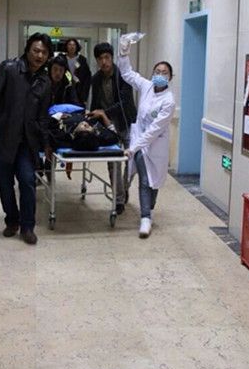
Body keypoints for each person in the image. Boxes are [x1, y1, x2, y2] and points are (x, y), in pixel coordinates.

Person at [0, 32, 53, 245]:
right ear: (27, 50)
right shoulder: (9, 69)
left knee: (28, 181)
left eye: (44, 52)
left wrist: (46, 144)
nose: (39, 56)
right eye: (36, 51)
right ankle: (12, 220)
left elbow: (43, 116)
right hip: (2, 138)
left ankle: (27, 227)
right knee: (5, 184)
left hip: (27, 143)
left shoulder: (45, 81)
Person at [117, 38, 176, 238]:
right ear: (152, 73)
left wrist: (133, 147)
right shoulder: (146, 86)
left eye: (164, 73)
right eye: (157, 71)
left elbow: (154, 130)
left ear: (170, 77)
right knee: (144, 180)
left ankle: (148, 208)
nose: (160, 75)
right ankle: (145, 219)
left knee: (153, 183)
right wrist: (124, 52)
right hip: (140, 143)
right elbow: (127, 73)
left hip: (156, 146)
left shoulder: (169, 101)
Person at [89, 42, 136, 213]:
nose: (104, 62)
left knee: (131, 163)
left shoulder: (123, 75)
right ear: (97, 60)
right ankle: (118, 200)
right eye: (100, 59)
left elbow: (125, 102)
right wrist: (93, 120)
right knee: (113, 164)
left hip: (127, 123)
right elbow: (95, 103)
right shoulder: (95, 79)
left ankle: (123, 188)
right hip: (108, 127)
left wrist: (103, 112)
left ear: (112, 58)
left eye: (107, 57)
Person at [63, 38, 92, 104]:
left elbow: (87, 78)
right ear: (66, 46)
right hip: (65, 90)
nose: (72, 47)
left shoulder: (82, 59)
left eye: (74, 45)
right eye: (69, 44)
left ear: (77, 47)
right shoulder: (62, 58)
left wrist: (85, 96)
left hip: (79, 91)